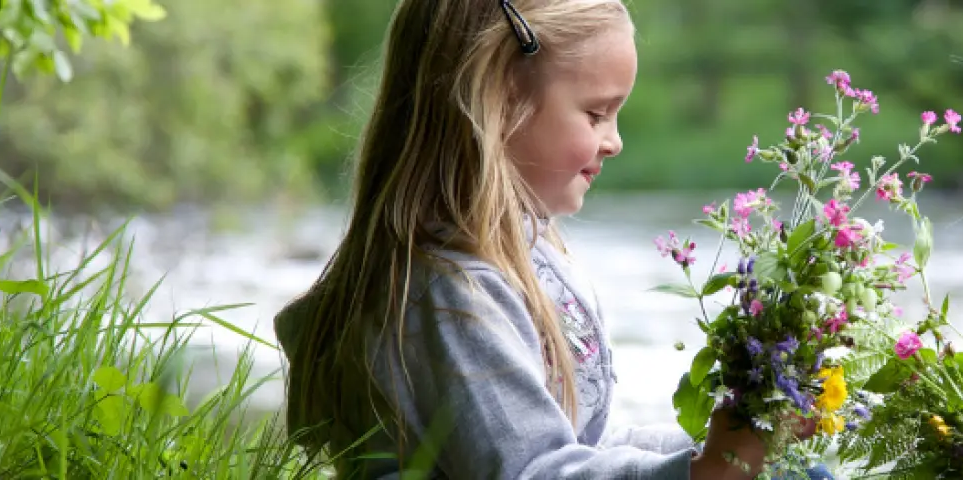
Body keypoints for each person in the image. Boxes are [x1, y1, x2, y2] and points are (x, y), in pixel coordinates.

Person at [272, 0, 796, 478]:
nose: (614, 141)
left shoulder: (527, 256)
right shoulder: (449, 293)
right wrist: (700, 473)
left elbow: (581, 442)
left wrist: (722, 441)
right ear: (500, 99)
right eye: (595, 113)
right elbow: (534, 470)